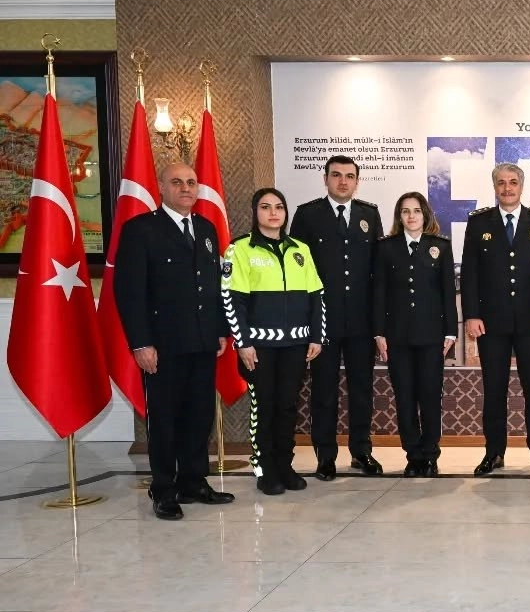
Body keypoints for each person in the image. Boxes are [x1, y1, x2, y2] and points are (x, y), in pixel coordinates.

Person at [113, 161, 235, 520]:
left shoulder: (206, 228)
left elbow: (214, 286)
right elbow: (130, 291)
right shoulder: (141, 230)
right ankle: (164, 488)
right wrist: (140, 343)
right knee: (165, 419)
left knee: (199, 416)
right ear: (162, 188)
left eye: (192, 183)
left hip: (202, 341)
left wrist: (220, 329)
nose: (186, 189)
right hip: (163, 345)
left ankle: (193, 481)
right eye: (177, 182)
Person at [221, 188, 324, 496]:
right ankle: (264, 468)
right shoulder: (239, 249)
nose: (273, 212)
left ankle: (284, 466)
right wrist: (242, 342)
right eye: (265, 207)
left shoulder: (300, 249)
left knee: (288, 407)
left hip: (296, 345)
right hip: (259, 347)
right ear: (256, 212)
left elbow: (316, 296)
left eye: (279, 206)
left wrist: (317, 336)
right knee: (264, 407)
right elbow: (232, 299)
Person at [461, 163, 530, 475]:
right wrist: (471, 315)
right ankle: (494, 453)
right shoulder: (479, 223)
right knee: (494, 390)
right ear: (495, 186)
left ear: (521, 186)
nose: (507, 188)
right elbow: (471, 273)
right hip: (491, 323)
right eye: (501, 183)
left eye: (513, 182)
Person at [289, 155, 383, 479]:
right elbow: (298, 270)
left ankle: (361, 452)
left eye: (349, 176)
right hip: (323, 322)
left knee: (362, 390)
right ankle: (325, 456)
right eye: (336, 175)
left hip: (360, 321)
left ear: (357, 181)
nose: (343, 181)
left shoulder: (369, 214)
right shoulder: (307, 215)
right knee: (323, 391)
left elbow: (377, 272)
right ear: (325, 178)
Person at [374, 193, 456, 478]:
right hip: (397, 337)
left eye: (416, 211)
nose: (411, 216)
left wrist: (451, 332)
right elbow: (379, 292)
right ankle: (413, 455)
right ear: (399, 216)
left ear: (425, 215)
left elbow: (448, 292)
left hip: (432, 336)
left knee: (430, 396)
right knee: (405, 397)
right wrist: (379, 333)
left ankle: (430, 455)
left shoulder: (440, 246)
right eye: (405, 211)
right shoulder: (386, 248)